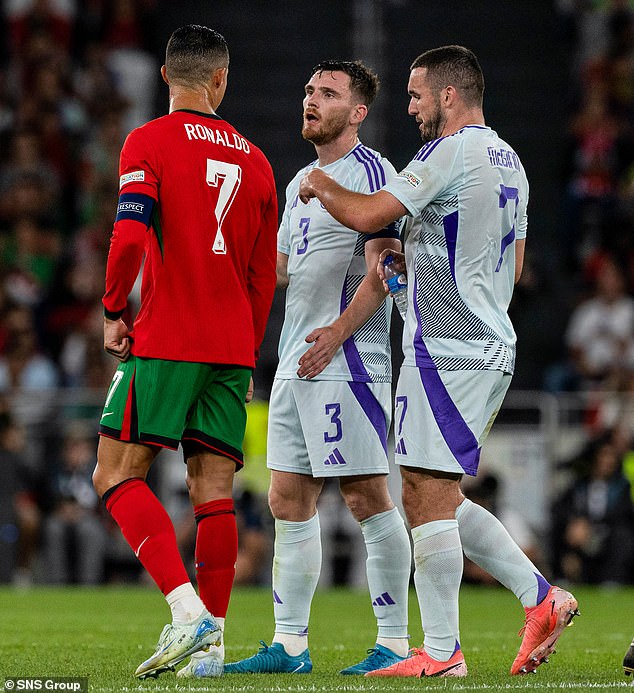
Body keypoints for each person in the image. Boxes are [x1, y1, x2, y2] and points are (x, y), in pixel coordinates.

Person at [299, 45, 579, 678]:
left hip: (447, 351)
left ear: (449, 95)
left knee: (425, 495)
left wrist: (319, 182)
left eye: (417, 94)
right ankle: (540, 599)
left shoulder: (447, 151)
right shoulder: (513, 163)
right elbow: (514, 266)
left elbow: (371, 214)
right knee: (440, 494)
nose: (412, 105)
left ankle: (443, 651)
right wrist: (422, 273)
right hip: (484, 342)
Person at [91, 25, 278, 680]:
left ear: (167, 78)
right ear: (220, 80)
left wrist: (116, 308)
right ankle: (214, 649)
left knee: (115, 472)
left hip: (170, 334)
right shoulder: (257, 161)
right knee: (214, 488)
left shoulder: (149, 141)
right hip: (231, 347)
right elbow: (261, 277)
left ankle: (185, 608)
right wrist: (243, 350)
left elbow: (130, 234)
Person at [223, 60, 411, 676]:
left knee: (366, 498)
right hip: (295, 360)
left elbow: (388, 269)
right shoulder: (300, 177)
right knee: (286, 498)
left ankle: (395, 643)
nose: (312, 99)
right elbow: (284, 269)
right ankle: (290, 646)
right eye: (309, 90)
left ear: (357, 112)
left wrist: (338, 331)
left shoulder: (374, 173)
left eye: (328, 93)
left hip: (348, 359)